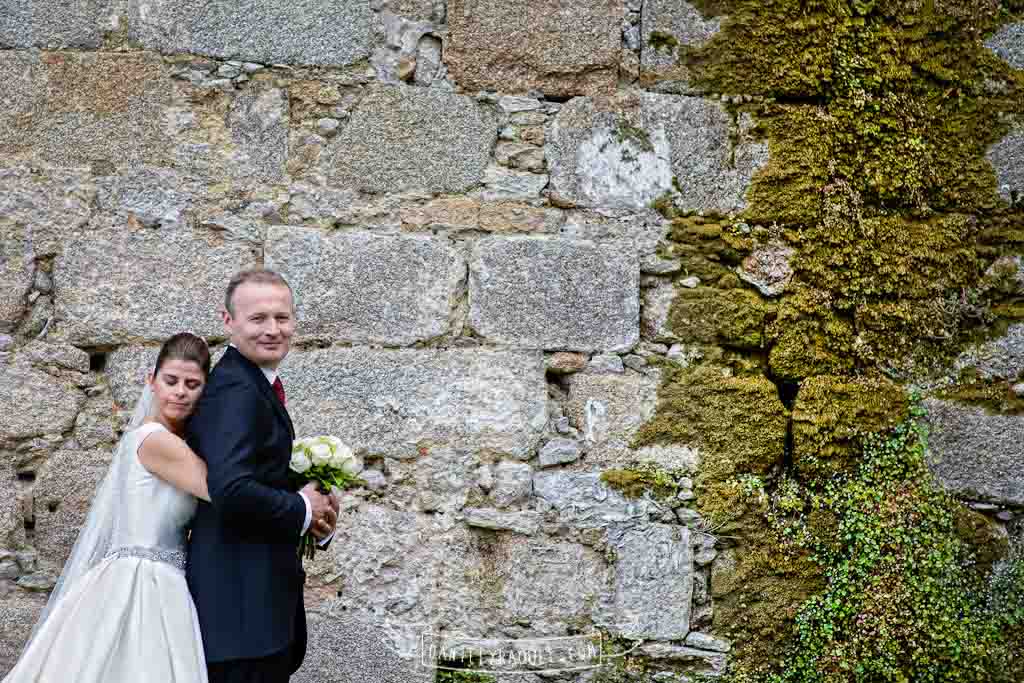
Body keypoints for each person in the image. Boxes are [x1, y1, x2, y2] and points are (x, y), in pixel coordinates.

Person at [3, 333, 215, 682]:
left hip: (165, 580)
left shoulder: (176, 442)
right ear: (152, 381)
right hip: (143, 584)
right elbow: (224, 490)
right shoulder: (154, 439)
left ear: (205, 389)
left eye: (192, 384)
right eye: (171, 380)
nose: (180, 391)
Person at [186, 268, 339, 683]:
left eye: (282, 318)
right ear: (228, 321)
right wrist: (302, 509)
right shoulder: (235, 390)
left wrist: (317, 515)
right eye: (258, 319)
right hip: (239, 618)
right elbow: (231, 490)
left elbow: (257, 476)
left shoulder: (256, 384)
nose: (273, 329)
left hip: (257, 615)